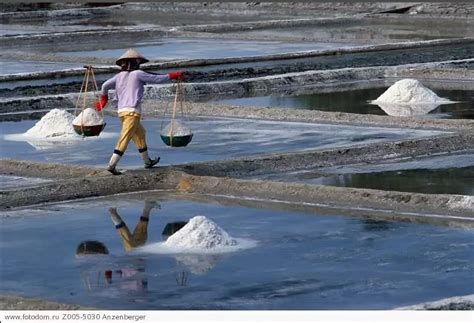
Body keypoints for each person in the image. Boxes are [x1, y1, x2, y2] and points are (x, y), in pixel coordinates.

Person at [95, 48, 184, 175]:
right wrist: (172, 75)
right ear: (135, 63)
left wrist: (104, 98)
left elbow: (104, 86)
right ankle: (112, 165)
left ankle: (147, 161)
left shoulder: (119, 76)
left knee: (140, 133)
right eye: (138, 62)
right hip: (132, 112)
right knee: (124, 137)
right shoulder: (138, 74)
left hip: (122, 112)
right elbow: (156, 79)